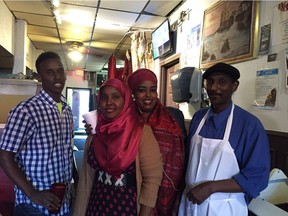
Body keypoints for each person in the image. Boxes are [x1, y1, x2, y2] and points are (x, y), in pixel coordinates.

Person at [178, 62, 270, 215]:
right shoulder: (198, 118)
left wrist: (210, 187)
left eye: (222, 82)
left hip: (224, 208)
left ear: (234, 86)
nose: (214, 88)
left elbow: (257, 178)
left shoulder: (249, 125)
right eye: (210, 82)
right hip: (189, 204)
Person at [73, 78, 163, 216]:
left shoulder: (141, 132)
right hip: (95, 207)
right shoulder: (95, 132)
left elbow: (152, 180)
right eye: (104, 97)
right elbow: (86, 180)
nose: (109, 102)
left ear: (126, 100)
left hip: (126, 208)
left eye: (116, 97)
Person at [0, 51, 74, 215]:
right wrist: (33, 193)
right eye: (50, 72)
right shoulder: (26, 111)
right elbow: (5, 155)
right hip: (32, 206)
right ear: (39, 77)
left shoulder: (66, 109)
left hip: (63, 204)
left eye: (60, 71)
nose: (57, 77)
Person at [127, 68, 186, 216]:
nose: (148, 95)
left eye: (152, 90)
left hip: (167, 196)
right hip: (132, 193)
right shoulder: (124, 120)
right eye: (142, 90)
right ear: (133, 93)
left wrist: (179, 198)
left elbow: (184, 161)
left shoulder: (174, 117)